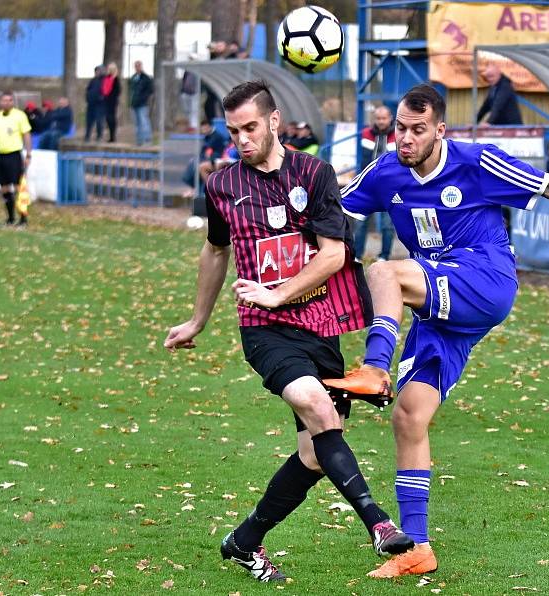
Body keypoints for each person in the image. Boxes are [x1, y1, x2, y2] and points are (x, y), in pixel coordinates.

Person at [323, 84, 549, 578]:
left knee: (384, 271)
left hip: (484, 280)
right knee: (409, 416)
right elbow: (331, 211)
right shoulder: (385, 171)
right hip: (438, 307)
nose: (405, 138)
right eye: (400, 127)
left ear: (440, 130)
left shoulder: (478, 162)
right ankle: (417, 548)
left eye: (417, 130)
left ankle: (375, 368)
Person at [164, 80, 413, 584]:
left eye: (251, 127)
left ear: (274, 122)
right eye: (234, 131)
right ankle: (379, 523)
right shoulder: (222, 185)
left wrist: (281, 291)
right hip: (264, 329)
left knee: (313, 454)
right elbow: (215, 251)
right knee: (319, 408)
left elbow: (334, 253)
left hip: (319, 324)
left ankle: (244, 541)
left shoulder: (315, 174)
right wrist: (198, 320)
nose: (242, 139)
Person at [0, 92, 32, 227]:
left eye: (9, 100)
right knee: (4, 188)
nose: (6, 103)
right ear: (0, 102)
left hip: (14, 155)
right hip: (1, 155)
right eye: (4, 100)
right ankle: (10, 218)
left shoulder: (19, 116)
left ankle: (23, 219)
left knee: (18, 187)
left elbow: (26, 135)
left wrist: (28, 154)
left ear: (13, 102)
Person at [354, 106, 397, 263]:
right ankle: (357, 255)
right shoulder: (366, 134)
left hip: (390, 186)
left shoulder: (398, 134)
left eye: (383, 118)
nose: (380, 122)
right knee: (360, 221)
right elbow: (365, 160)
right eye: (378, 118)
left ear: (390, 118)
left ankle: (384, 256)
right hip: (369, 185)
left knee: (387, 223)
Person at [181, 119, 227, 197]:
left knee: (197, 166)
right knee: (193, 163)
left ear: (209, 126)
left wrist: (207, 157)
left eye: (205, 128)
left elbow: (216, 152)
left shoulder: (217, 136)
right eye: (202, 129)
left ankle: (195, 189)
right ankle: (194, 188)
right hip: (205, 158)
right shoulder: (207, 136)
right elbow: (203, 150)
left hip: (214, 159)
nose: (203, 130)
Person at [129, 60, 154, 146]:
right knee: (137, 123)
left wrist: (144, 98)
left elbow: (150, 90)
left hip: (142, 104)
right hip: (134, 103)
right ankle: (139, 140)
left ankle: (147, 139)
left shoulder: (146, 78)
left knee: (144, 121)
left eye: (139, 66)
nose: (137, 68)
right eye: (136, 66)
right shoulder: (133, 78)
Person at [84, 65, 106, 142]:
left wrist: (101, 98)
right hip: (91, 104)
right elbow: (88, 90)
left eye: (99, 71)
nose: (97, 72)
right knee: (89, 121)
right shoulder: (92, 80)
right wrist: (87, 98)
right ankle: (87, 136)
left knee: (99, 121)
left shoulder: (104, 80)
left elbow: (105, 91)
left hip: (99, 105)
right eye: (96, 71)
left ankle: (99, 137)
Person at [102, 62, 121, 143]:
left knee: (112, 118)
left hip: (112, 101)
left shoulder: (116, 79)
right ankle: (110, 136)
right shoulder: (106, 78)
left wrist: (111, 96)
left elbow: (118, 90)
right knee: (107, 118)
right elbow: (104, 88)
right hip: (106, 100)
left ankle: (113, 136)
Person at [180, 63, 200, 132]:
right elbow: (184, 81)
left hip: (194, 93)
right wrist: (182, 91)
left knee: (194, 110)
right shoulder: (187, 71)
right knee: (187, 110)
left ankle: (193, 126)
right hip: (186, 93)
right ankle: (189, 125)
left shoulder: (198, 71)